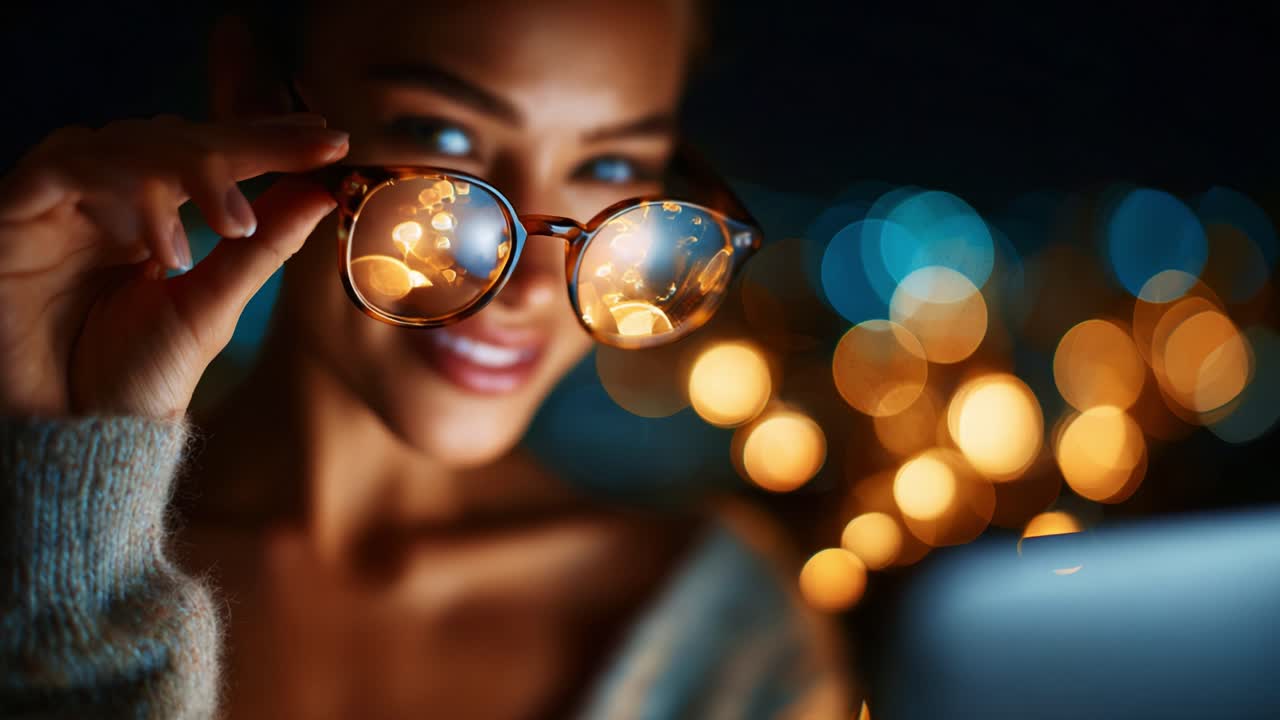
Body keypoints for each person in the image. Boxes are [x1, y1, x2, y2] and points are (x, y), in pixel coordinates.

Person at [0, 1, 851, 717]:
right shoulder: (31, 559)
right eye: (443, 133)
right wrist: (72, 517)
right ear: (253, 91)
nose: (531, 282)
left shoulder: (735, 642)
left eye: (611, 163)